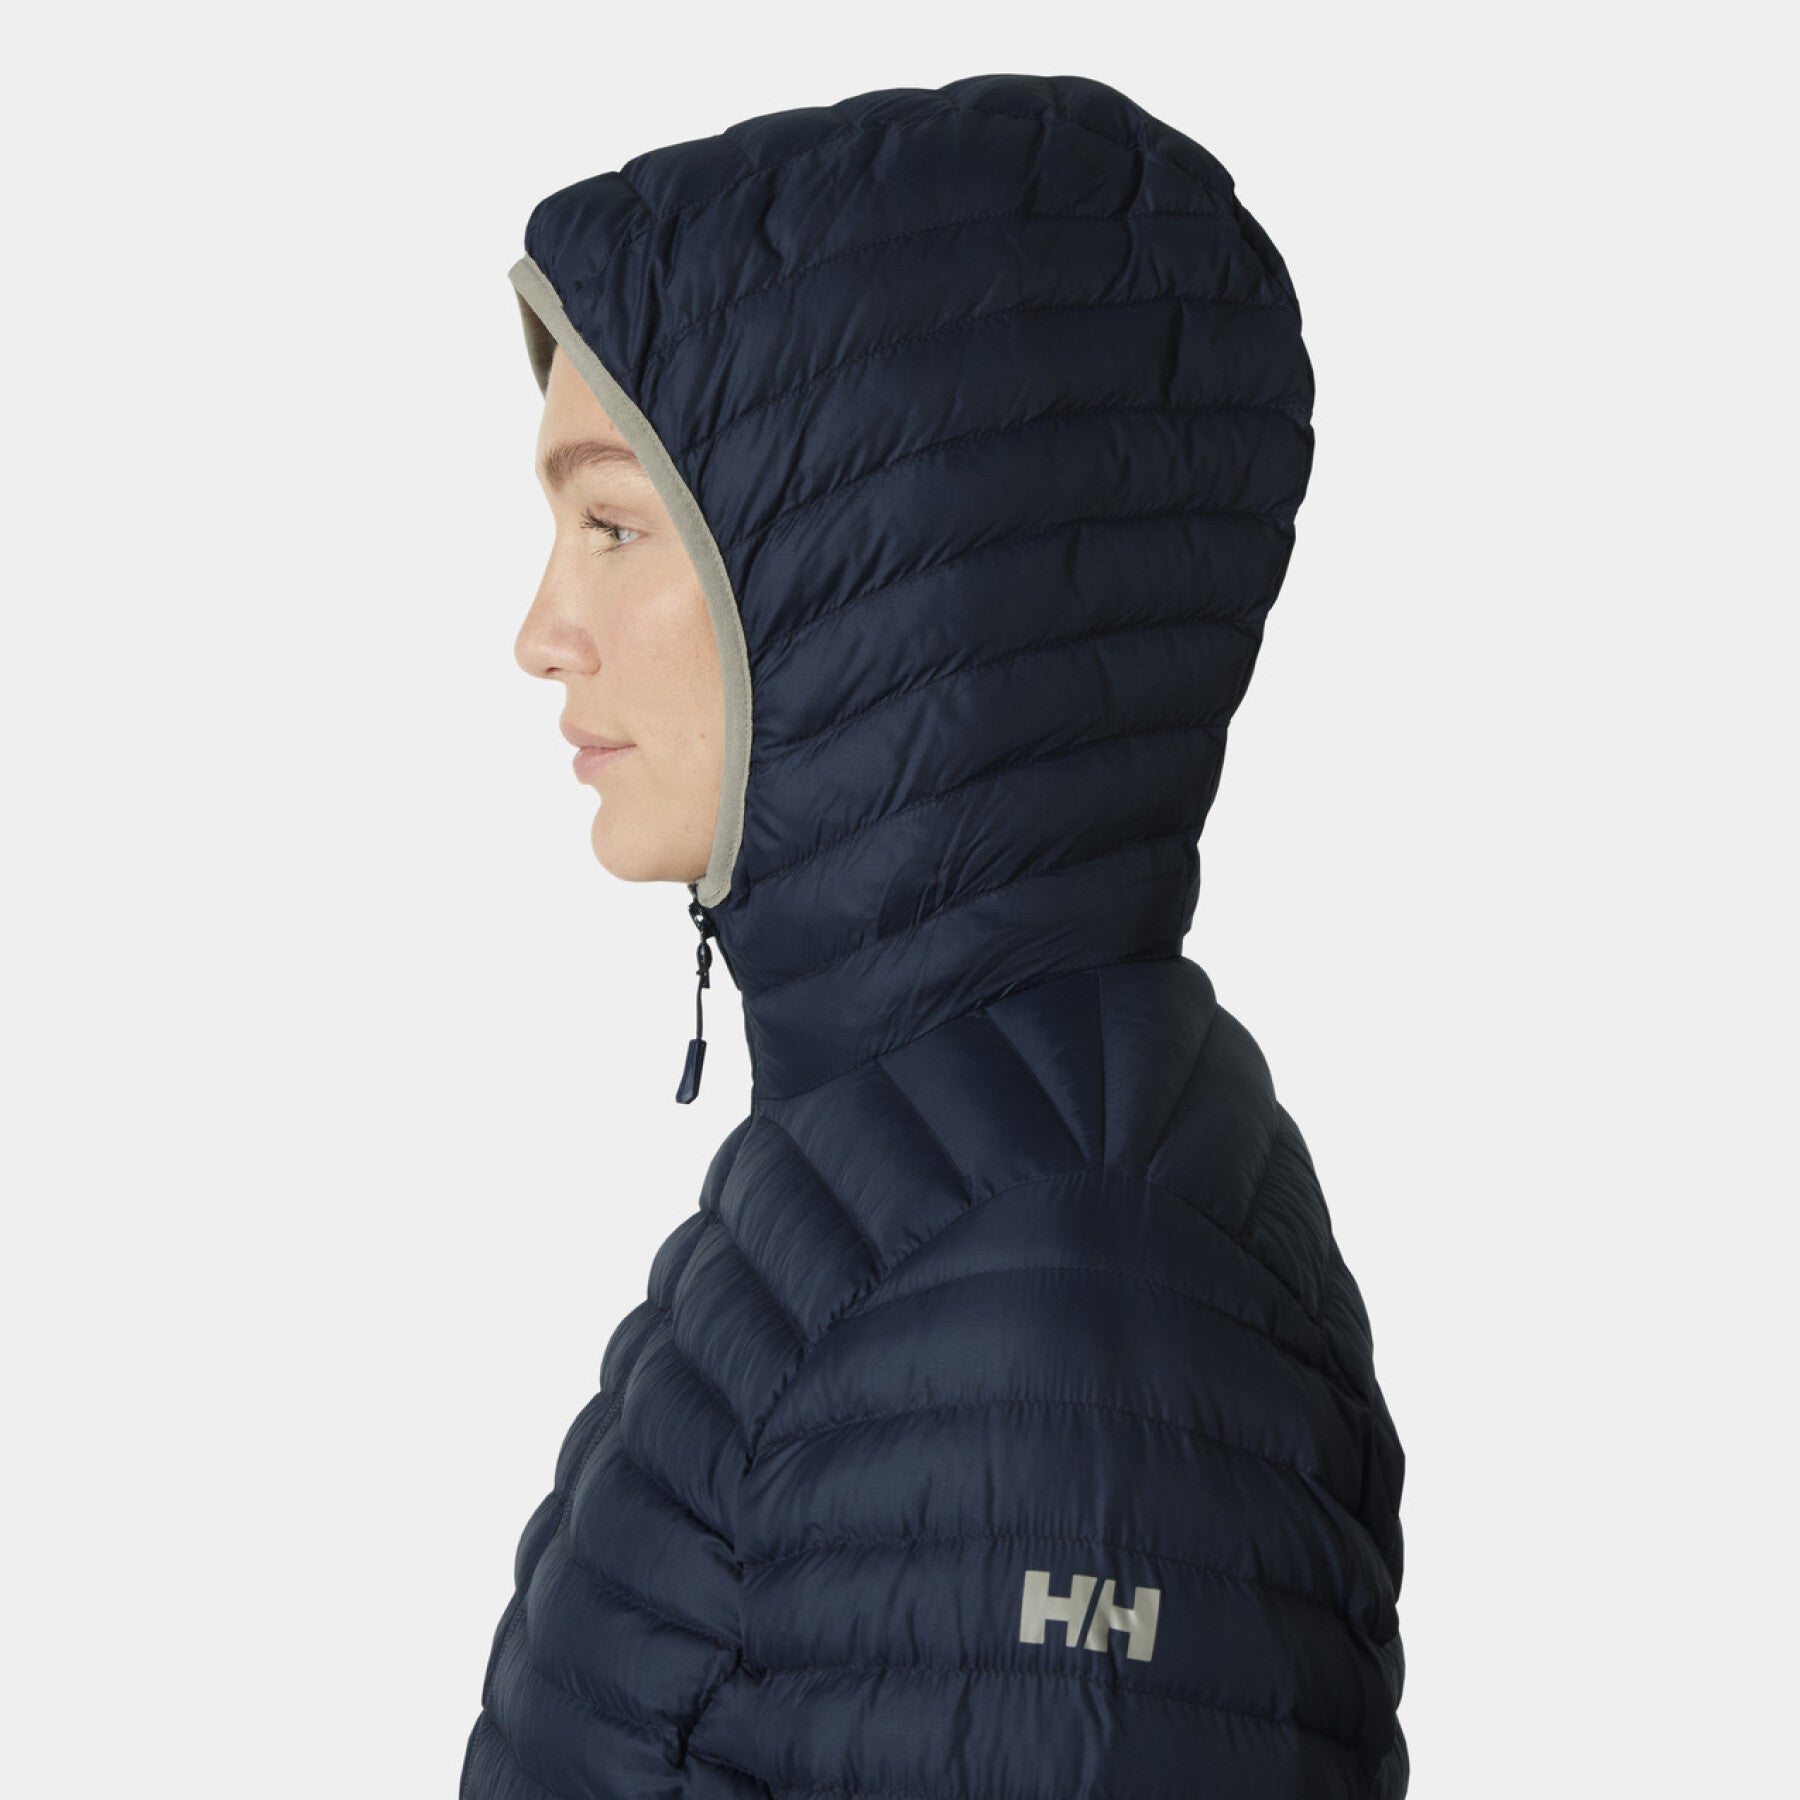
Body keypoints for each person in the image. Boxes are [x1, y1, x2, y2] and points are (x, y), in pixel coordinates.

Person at [464, 72, 1408, 1800]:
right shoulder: (922, 1180)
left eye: (611, 525)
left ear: (886, 567)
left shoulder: (1056, 1282)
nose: (543, 631)